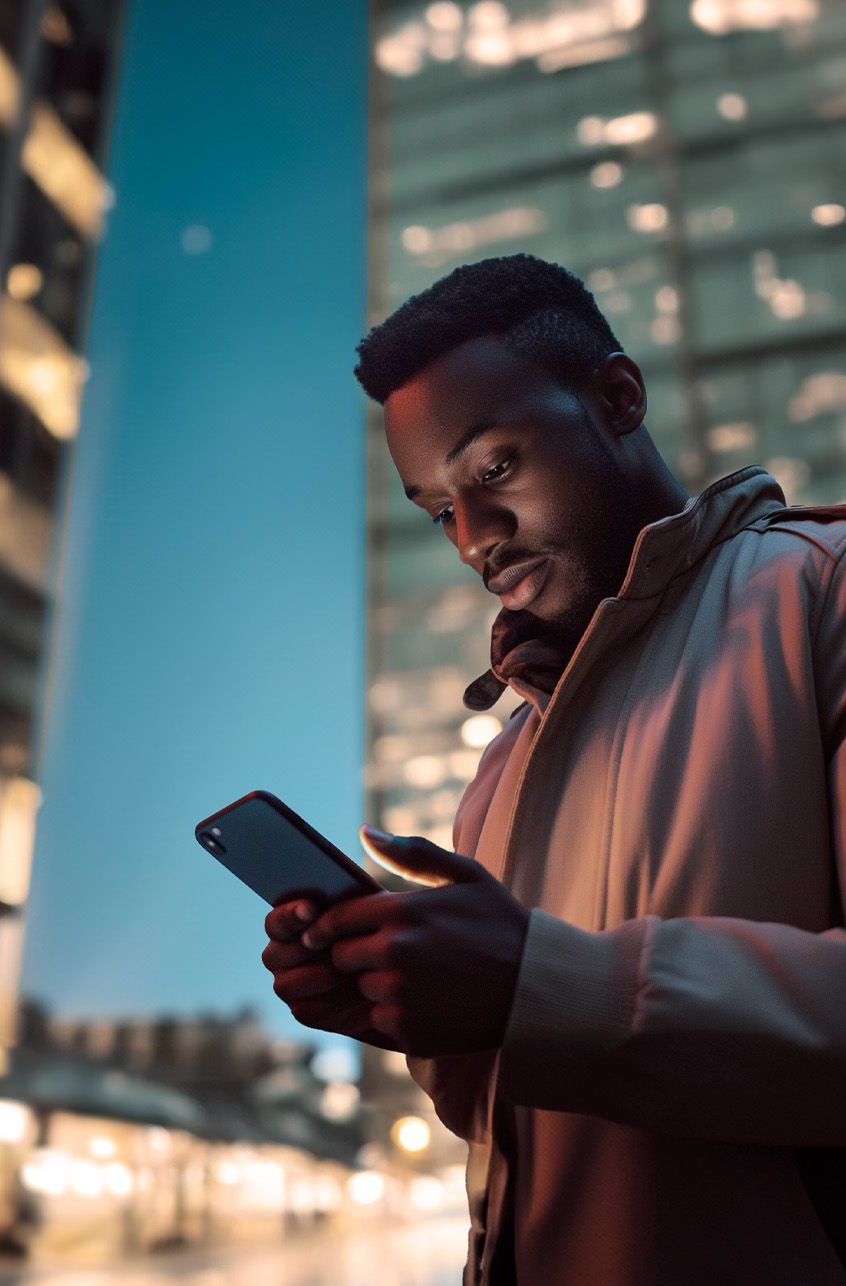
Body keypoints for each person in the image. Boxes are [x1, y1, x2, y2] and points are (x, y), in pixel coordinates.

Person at [262, 254, 846, 1285]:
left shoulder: (818, 600)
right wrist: (407, 1005)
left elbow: (563, 1002)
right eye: (438, 509)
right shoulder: (498, 766)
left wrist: (534, 979)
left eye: (491, 470)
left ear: (616, 398)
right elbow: (506, 1118)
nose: (472, 540)